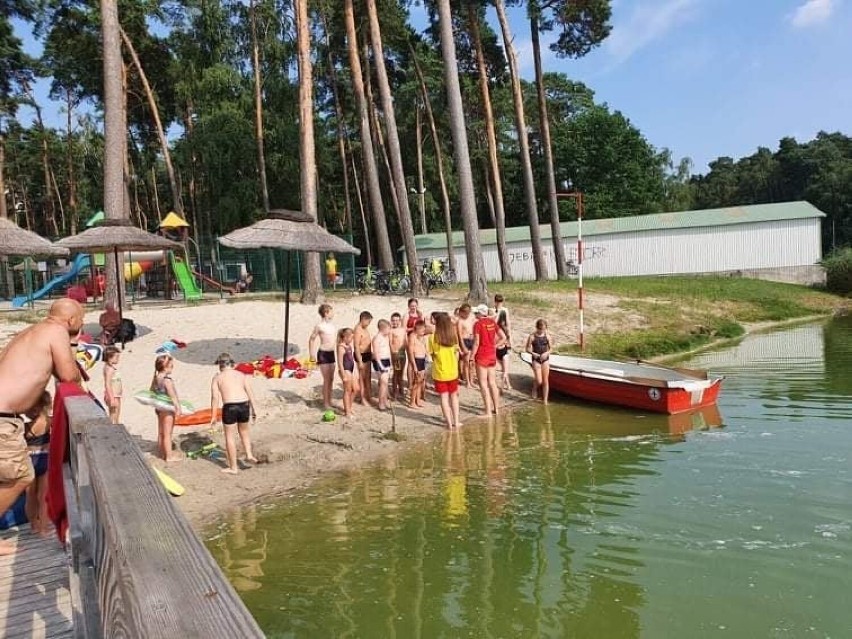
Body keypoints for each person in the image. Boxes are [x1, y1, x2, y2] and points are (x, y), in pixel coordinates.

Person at [0, 298, 82, 555]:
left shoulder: (32, 331)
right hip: (3, 417)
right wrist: (72, 347)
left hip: (6, 415)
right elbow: (68, 375)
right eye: (81, 320)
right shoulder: (56, 331)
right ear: (72, 320)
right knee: (19, 475)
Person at [210, 353, 257, 474]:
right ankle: (249, 454)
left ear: (220, 365)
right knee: (244, 431)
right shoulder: (241, 375)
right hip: (244, 404)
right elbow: (250, 392)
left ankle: (233, 467)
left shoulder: (217, 378)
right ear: (232, 363)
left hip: (230, 406)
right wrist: (254, 409)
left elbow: (215, 398)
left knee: (229, 437)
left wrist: (214, 416)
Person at [24, 391, 52, 536]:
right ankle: (44, 528)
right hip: (45, 458)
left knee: (30, 495)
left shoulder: (25, 427)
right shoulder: (48, 421)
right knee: (43, 496)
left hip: (29, 461)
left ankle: (34, 525)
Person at [472, 304, 506, 417]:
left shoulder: (477, 324)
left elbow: (476, 342)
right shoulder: (492, 322)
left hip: (482, 355)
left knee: (483, 383)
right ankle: (497, 409)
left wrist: (472, 356)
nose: (475, 314)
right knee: (492, 382)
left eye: (476, 312)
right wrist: (495, 346)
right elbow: (504, 337)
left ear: (480, 313)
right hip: (492, 355)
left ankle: (488, 412)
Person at [430, 313, 461, 429]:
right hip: (452, 371)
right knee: (454, 397)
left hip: (440, 372)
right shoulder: (453, 336)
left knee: (444, 397)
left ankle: (449, 424)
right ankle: (456, 422)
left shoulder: (432, 337)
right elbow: (456, 353)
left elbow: (432, 355)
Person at [150, 354, 183, 462]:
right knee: (168, 433)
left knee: (161, 431)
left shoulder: (156, 377)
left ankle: (161, 452)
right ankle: (169, 456)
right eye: (171, 365)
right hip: (168, 409)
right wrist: (178, 408)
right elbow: (173, 396)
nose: (172, 367)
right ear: (165, 367)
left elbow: (151, 392)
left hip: (159, 407)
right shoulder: (167, 380)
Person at [308, 304, 337, 411]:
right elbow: (312, 339)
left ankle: (329, 399)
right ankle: (326, 403)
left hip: (331, 353)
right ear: (326, 313)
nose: (333, 313)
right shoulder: (319, 326)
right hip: (323, 353)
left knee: (331, 379)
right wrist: (311, 354)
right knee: (326, 379)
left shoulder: (332, 326)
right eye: (331, 311)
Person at [525, 319, 553, 403]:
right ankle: (534, 388)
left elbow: (551, 349)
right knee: (539, 381)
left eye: (544, 329)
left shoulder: (548, 336)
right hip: (536, 359)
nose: (542, 331)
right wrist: (533, 353)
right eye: (540, 329)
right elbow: (527, 348)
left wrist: (547, 353)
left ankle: (545, 401)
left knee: (545, 381)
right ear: (537, 328)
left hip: (545, 359)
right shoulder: (532, 336)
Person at [336, 328, 360, 418]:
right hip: (345, 370)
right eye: (351, 338)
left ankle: (349, 406)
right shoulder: (341, 347)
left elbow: (351, 359)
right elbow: (340, 363)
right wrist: (343, 375)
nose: (352, 340)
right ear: (345, 337)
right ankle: (347, 412)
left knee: (356, 389)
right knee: (347, 390)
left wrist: (355, 370)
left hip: (351, 369)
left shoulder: (348, 346)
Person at [406, 319, 428, 409]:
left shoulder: (421, 337)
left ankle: (417, 400)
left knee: (420, 381)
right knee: (416, 382)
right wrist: (414, 366)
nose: (423, 332)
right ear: (417, 329)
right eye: (422, 330)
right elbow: (410, 352)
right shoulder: (412, 336)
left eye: (424, 330)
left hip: (422, 360)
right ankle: (412, 402)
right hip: (416, 360)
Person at [354, 311, 374, 406]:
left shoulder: (365, 328)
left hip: (368, 354)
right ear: (363, 319)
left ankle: (369, 396)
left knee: (368, 376)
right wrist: (360, 361)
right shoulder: (358, 330)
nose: (369, 324)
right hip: (361, 355)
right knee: (362, 378)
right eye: (368, 322)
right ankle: (362, 398)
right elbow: (356, 346)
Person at [371, 319, 392, 411]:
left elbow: (387, 351)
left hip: (386, 360)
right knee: (383, 383)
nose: (389, 330)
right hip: (380, 362)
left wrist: (390, 363)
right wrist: (381, 366)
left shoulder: (385, 337)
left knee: (385, 383)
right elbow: (375, 353)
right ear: (383, 328)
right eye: (388, 328)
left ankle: (385, 401)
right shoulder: (377, 338)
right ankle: (381, 403)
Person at [494, 294, 512, 390]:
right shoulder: (493, 310)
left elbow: (508, 323)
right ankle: (506, 384)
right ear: (495, 302)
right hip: (496, 335)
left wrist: (510, 337)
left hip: (503, 334)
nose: (499, 303)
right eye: (498, 301)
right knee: (502, 365)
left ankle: (507, 384)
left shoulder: (505, 310)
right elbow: (494, 322)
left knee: (505, 365)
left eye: (501, 301)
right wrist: (498, 311)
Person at [456, 304, 476, 388]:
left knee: (472, 362)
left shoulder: (471, 317)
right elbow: (459, 335)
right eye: (466, 313)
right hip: (464, 341)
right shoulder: (460, 321)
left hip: (472, 340)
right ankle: (467, 381)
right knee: (466, 362)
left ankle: (472, 381)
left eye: (468, 312)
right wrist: (463, 346)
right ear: (462, 313)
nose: (467, 314)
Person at [389, 313, 407, 402]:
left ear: (400, 321)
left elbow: (405, 341)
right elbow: (390, 343)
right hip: (395, 353)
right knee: (396, 373)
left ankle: (401, 390)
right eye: (393, 320)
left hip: (402, 353)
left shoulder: (403, 330)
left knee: (401, 373)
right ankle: (394, 392)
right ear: (391, 321)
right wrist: (393, 353)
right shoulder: (391, 331)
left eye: (397, 320)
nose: (395, 322)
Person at [102, 346, 123, 424]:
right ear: (109, 357)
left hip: (115, 395)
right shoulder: (110, 369)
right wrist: (112, 398)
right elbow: (107, 384)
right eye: (116, 357)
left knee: (113, 415)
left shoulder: (108, 367)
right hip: (114, 396)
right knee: (115, 417)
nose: (118, 359)